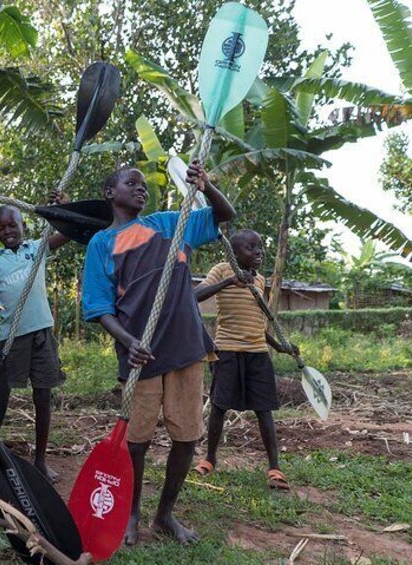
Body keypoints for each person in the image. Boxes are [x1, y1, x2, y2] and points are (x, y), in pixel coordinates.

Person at [81, 163, 235, 545]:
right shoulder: (102, 243)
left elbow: (224, 214)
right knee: (137, 440)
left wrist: (207, 185)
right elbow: (99, 307)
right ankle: (131, 513)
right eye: (130, 182)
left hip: (185, 346)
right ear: (109, 191)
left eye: (144, 184)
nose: (140, 188)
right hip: (142, 354)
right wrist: (128, 341)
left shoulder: (171, 223)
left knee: (186, 438)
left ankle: (164, 515)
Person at [0, 194, 71, 489]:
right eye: (0, 228)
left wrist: (61, 207)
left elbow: (69, 231)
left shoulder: (37, 249)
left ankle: (40, 461)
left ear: (24, 225)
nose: (7, 231)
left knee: (43, 397)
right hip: (11, 339)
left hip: (42, 334)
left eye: (12, 225)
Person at [192, 229, 297, 490]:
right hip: (227, 350)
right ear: (235, 252)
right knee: (219, 407)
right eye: (251, 247)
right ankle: (209, 459)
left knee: (264, 410)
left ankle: (274, 468)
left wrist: (280, 347)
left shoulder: (259, 280)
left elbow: (257, 324)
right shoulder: (221, 270)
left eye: (260, 246)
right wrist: (230, 282)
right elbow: (194, 296)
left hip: (257, 353)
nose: (259, 251)